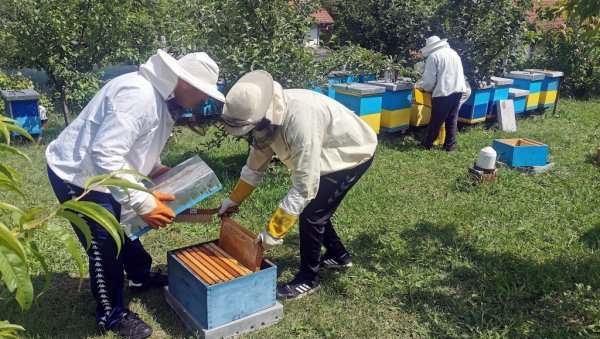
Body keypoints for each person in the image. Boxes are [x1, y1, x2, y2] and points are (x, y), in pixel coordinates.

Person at [45, 49, 225, 338]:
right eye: (202, 92)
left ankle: (140, 277)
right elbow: (105, 154)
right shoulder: (138, 95)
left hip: (109, 174)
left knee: (124, 228)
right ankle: (111, 314)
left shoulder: (162, 100)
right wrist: (142, 201)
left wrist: (156, 170)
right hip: (79, 176)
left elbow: (139, 145)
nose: (204, 100)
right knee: (104, 244)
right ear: (185, 83)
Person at [217, 70, 377, 300]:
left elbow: (304, 186)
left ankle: (308, 279)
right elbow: (253, 169)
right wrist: (233, 200)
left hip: (351, 154)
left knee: (312, 214)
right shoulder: (266, 119)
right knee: (317, 209)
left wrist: (274, 230)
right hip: (323, 154)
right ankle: (339, 255)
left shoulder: (300, 120)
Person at [419, 35, 468, 151]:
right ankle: (450, 146)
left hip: (444, 93)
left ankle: (427, 145)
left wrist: (424, 88)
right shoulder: (453, 53)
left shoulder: (433, 56)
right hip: (458, 91)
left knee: (436, 121)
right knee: (452, 120)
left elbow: (429, 81)